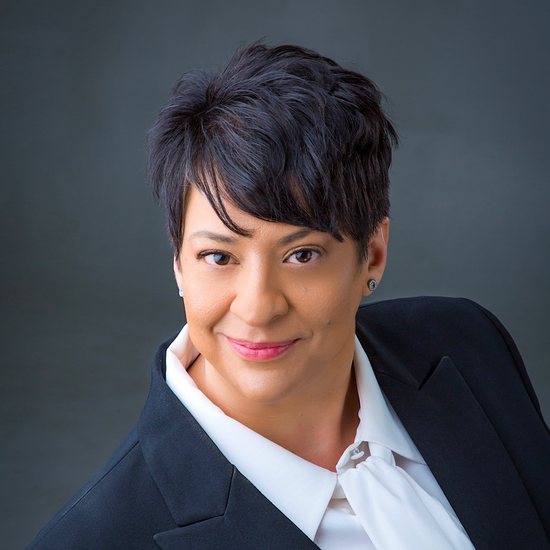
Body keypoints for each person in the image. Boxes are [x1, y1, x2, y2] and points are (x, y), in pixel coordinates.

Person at [27, 43, 550, 550]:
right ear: (178, 263)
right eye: (218, 257)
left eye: (301, 255)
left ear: (372, 254)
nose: (257, 308)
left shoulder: (470, 345)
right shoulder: (96, 537)